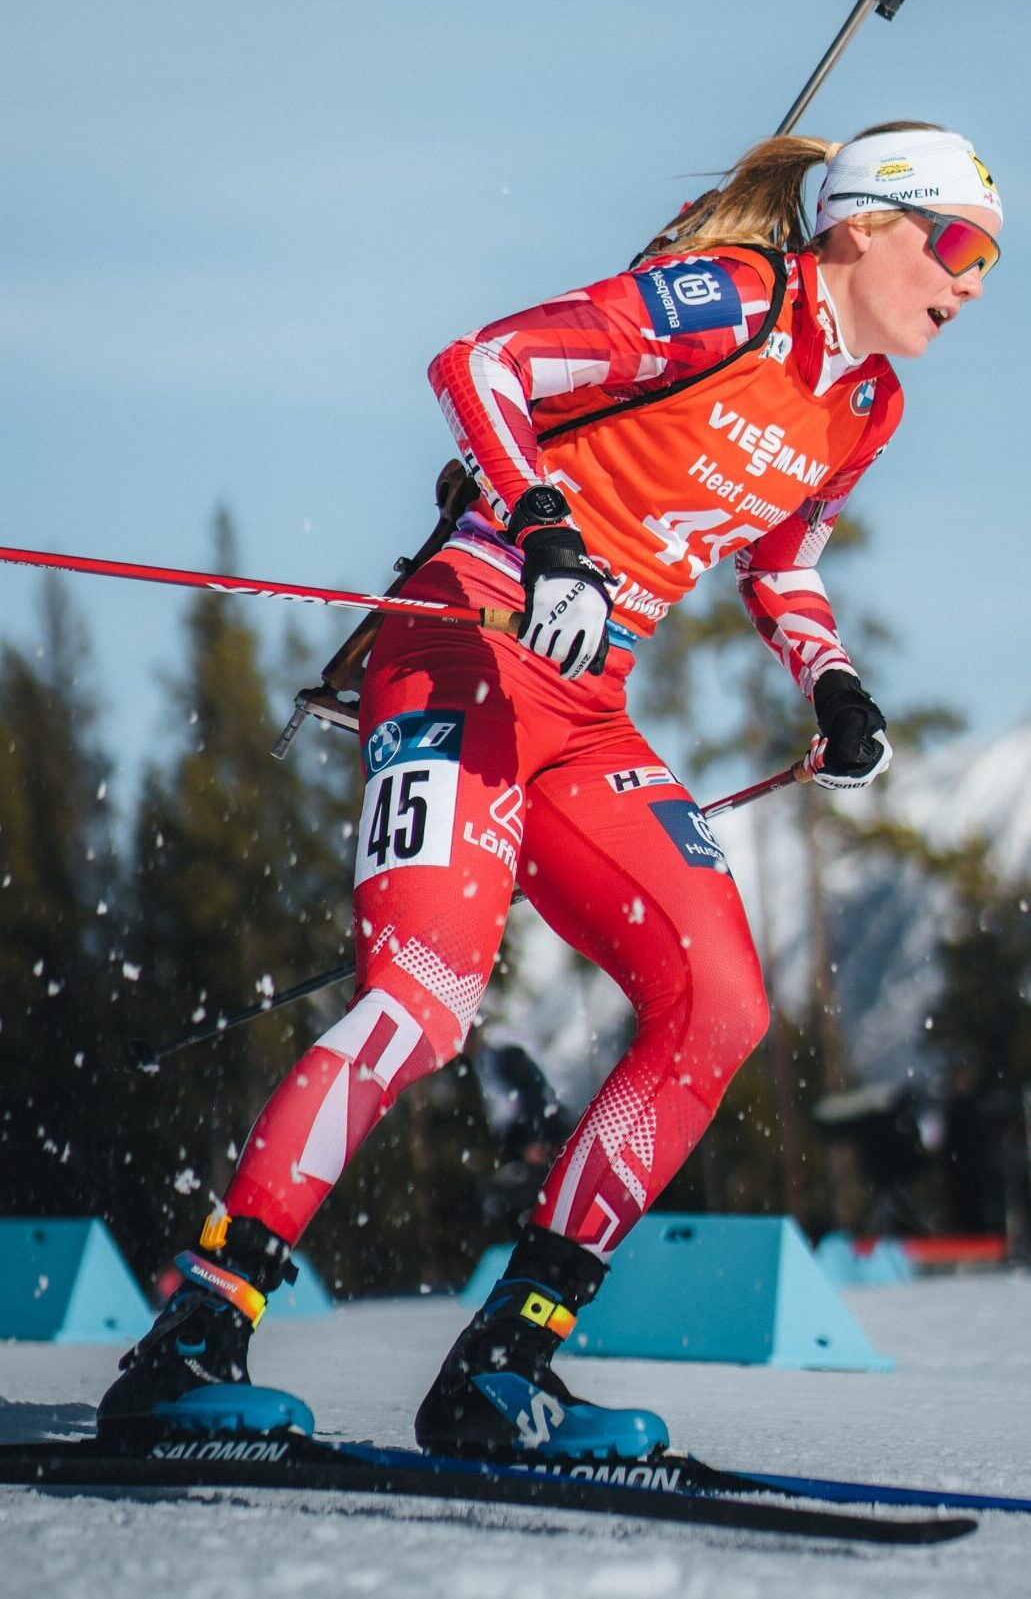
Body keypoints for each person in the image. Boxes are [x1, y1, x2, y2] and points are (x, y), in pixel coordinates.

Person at [100, 123, 1002, 1456]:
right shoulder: (734, 305)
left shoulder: (866, 407)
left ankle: (507, 1359)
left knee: (718, 1003)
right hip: (463, 647)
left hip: (584, 707)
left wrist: (831, 679)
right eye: (960, 246)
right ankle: (196, 1334)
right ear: (864, 224)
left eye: (994, 262)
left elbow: (783, 560)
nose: (974, 282)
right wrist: (545, 530)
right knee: (423, 1000)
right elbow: (481, 365)